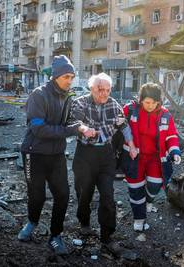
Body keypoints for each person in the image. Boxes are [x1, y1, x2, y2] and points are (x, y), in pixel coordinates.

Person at [18, 55, 88, 255]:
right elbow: (39, 129)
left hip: (56, 154)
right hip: (34, 153)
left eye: (72, 77)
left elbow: (66, 125)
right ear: (56, 76)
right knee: (37, 195)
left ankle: (55, 236)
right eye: (67, 76)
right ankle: (32, 223)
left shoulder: (67, 97)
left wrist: (80, 127)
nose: (70, 80)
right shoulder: (39, 95)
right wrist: (72, 130)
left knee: (63, 195)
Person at [70, 72, 137, 252]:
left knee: (108, 196)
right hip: (85, 154)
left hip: (106, 156)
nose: (104, 94)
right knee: (84, 193)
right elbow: (74, 120)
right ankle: (84, 222)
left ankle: (107, 236)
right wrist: (83, 128)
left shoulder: (114, 105)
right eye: (101, 90)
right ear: (92, 89)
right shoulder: (81, 102)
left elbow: (124, 126)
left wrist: (131, 145)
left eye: (108, 90)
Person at [122, 82, 181, 231]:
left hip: (156, 158)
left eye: (154, 103)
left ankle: (148, 201)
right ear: (141, 99)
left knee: (155, 186)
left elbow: (171, 135)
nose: (150, 106)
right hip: (134, 156)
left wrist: (175, 152)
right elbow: (117, 125)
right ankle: (139, 219)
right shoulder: (130, 110)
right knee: (135, 189)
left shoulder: (165, 115)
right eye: (147, 102)